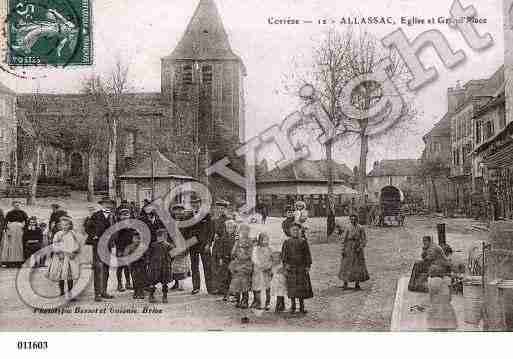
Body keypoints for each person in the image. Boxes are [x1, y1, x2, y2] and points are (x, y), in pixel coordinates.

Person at [84, 197, 117, 302]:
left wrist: (113, 240)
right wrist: (93, 235)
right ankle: (97, 293)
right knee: (98, 268)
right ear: (101, 205)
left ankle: (104, 291)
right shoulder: (95, 215)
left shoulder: (113, 216)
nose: (107, 205)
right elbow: (87, 227)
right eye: (105, 203)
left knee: (106, 268)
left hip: (108, 246)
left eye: (109, 203)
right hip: (98, 245)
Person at [282, 223, 313, 314]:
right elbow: (284, 255)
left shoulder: (303, 241)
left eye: (297, 230)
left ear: (300, 231)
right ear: (290, 231)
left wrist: (307, 266)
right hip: (291, 268)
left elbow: (307, 255)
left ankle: (302, 306)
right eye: (293, 230)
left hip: (301, 268)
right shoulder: (287, 242)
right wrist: (286, 265)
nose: (295, 232)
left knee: (301, 288)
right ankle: (293, 306)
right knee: (292, 288)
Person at [47, 216, 80, 301]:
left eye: (67, 225)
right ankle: (62, 292)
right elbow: (54, 244)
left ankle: (70, 293)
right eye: (63, 225)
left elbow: (77, 243)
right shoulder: (58, 234)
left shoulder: (73, 233)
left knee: (70, 276)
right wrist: (58, 252)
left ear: (70, 225)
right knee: (61, 275)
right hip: (61, 257)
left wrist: (75, 252)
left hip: (70, 257)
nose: (65, 226)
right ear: (60, 226)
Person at [188, 198, 216, 295]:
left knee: (207, 266)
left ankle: (210, 288)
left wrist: (209, 243)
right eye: (193, 203)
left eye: (197, 203)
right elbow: (186, 232)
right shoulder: (188, 216)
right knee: (194, 267)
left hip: (205, 245)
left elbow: (211, 231)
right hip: (193, 245)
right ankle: (196, 287)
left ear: (200, 204)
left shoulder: (206, 215)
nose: (195, 205)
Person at [338, 214, 370, 290]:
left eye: (354, 219)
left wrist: (360, 247)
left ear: (357, 219)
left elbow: (364, 239)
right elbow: (344, 239)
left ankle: (357, 284)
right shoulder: (348, 227)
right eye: (351, 219)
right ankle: (345, 283)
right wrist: (343, 249)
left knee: (357, 266)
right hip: (349, 248)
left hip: (357, 248)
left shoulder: (361, 228)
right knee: (346, 265)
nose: (353, 220)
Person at [212, 219, 238, 300]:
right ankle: (226, 294)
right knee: (225, 277)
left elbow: (238, 248)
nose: (229, 229)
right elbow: (220, 248)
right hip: (225, 260)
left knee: (234, 277)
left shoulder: (236, 238)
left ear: (234, 228)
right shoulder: (224, 237)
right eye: (228, 228)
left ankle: (234, 295)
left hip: (233, 260)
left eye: (231, 228)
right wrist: (220, 258)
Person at [228, 223, 253, 308]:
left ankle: (245, 300)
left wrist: (244, 255)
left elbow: (251, 253)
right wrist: (235, 251)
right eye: (243, 230)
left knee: (245, 283)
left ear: (249, 232)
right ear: (240, 232)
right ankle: (238, 300)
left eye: (246, 230)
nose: (245, 232)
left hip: (246, 264)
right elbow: (232, 253)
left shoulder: (250, 241)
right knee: (237, 283)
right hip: (238, 264)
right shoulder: (237, 242)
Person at [426, 264, 457, 331]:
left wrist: (431, 300)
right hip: (445, 302)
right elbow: (450, 294)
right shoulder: (447, 280)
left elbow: (431, 293)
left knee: (435, 316)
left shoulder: (431, 280)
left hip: (436, 302)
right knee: (445, 319)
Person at [147, 228, 173, 303]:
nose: (159, 238)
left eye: (161, 236)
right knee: (153, 282)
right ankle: (151, 295)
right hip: (155, 266)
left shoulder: (168, 246)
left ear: (165, 237)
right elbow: (149, 254)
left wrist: (169, 262)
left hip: (164, 266)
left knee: (164, 282)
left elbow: (172, 255)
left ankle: (164, 296)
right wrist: (149, 262)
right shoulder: (153, 245)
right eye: (158, 236)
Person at [169, 205, 191, 291]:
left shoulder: (186, 222)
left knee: (182, 265)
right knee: (174, 265)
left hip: (183, 245)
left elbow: (189, 235)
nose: (177, 214)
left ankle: (181, 284)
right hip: (173, 245)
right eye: (176, 212)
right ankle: (176, 283)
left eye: (179, 212)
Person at [0, 201, 28, 267]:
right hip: (11, 230)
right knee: (11, 245)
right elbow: (5, 222)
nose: (17, 207)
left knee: (19, 245)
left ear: (20, 206)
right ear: (13, 206)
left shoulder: (23, 213)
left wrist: (24, 228)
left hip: (19, 231)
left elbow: (27, 221)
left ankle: (19, 261)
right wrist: (6, 229)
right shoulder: (9, 213)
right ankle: (10, 261)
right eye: (15, 205)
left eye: (18, 205)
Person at [251, 232, 273, 310]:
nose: (266, 242)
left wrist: (268, 266)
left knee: (267, 287)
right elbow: (254, 259)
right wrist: (260, 265)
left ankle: (267, 303)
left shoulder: (270, 249)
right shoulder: (256, 249)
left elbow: (272, 259)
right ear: (260, 240)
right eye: (264, 240)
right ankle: (258, 302)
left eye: (267, 240)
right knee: (257, 287)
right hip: (258, 271)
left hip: (266, 271)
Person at [113, 208, 133, 292]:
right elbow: (115, 237)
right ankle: (119, 284)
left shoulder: (132, 224)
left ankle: (128, 283)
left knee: (128, 267)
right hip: (120, 248)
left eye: (127, 215)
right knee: (120, 266)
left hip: (129, 248)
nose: (125, 217)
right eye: (123, 215)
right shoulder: (117, 225)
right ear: (120, 216)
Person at [124, 231, 147, 299]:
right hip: (133, 265)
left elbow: (147, 255)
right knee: (134, 279)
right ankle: (136, 291)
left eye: (138, 238)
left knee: (142, 278)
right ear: (132, 239)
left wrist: (145, 262)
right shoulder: (129, 247)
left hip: (141, 265)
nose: (137, 240)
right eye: (135, 238)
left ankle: (141, 291)